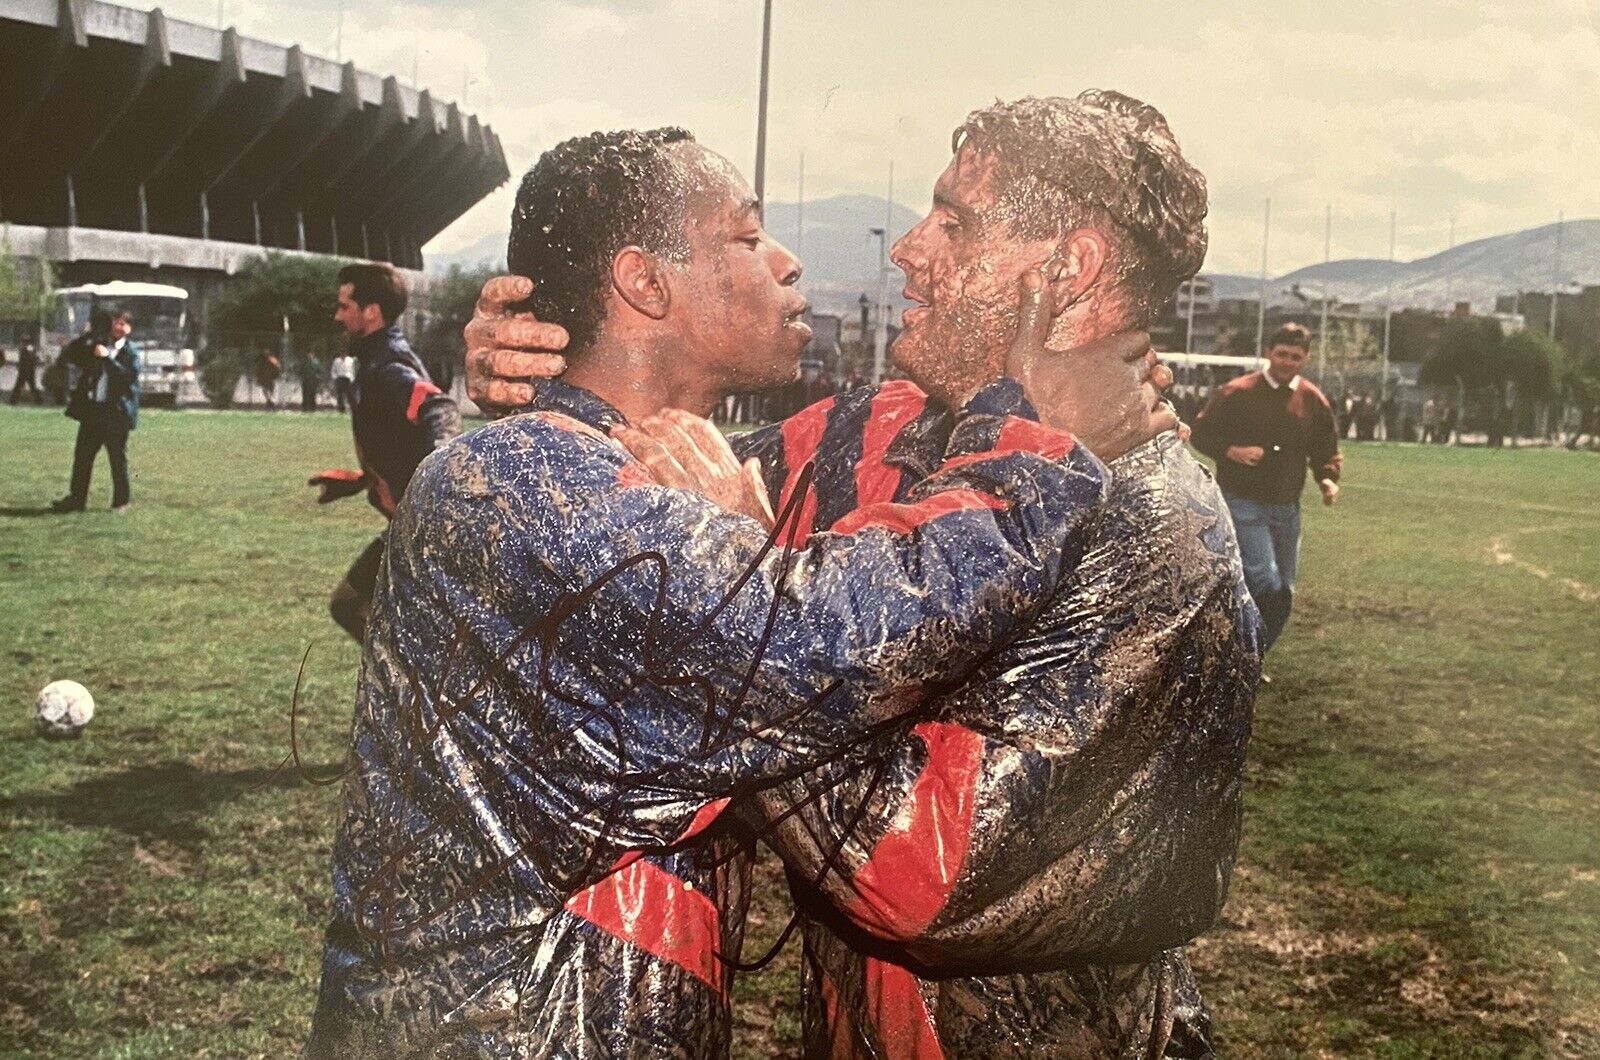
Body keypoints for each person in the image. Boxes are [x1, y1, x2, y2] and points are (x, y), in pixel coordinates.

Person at [307, 126, 1173, 1059]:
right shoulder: (527, 482)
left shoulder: (640, 471)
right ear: (645, 282)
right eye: (750, 237)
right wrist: (1039, 441)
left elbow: (838, 483)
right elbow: (816, 636)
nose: (790, 260)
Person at [309, 262, 459, 642]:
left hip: (420, 532)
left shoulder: (388, 367)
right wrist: (364, 480)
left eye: (345, 306)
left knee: (353, 607)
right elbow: (401, 441)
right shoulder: (377, 361)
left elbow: (438, 409)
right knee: (354, 608)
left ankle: (412, 690)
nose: (338, 315)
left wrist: (435, 482)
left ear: (370, 311)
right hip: (408, 526)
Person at [1191, 321, 1340, 654]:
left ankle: (1251, 655)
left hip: (1287, 507)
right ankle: (1242, 650)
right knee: (1264, 582)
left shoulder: (1311, 399)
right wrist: (1232, 451)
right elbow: (1200, 433)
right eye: (1282, 354)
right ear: (1268, 353)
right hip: (1243, 501)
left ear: (1306, 359)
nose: (1288, 362)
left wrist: (1327, 478)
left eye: (1296, 357)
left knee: (1285, 589)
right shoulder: (1237, 392)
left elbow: (1324, 444)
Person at [51, 310, 139, 513]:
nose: (118, 327)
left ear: (130, 329)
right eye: (115, 322)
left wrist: (108, 359)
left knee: (117, 459)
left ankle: (121, 501)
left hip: (116, 413)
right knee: (82, 457)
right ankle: (76, 500)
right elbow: (70, 355)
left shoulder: (130, 352)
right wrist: (87, 335)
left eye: (123, 324)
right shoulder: (97, 344)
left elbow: (127, 379)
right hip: (94, 411)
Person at [9, 336, 44, 404]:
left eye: (22, 341)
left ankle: (13, 401)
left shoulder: (29, 348)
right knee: (32, 386)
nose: (21, 343)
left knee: (19, 386)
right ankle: (39, 400)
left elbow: (30, 358)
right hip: (25, 370)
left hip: (27, 371)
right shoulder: (25, 348)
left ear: (26, 342)